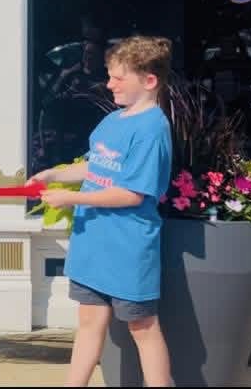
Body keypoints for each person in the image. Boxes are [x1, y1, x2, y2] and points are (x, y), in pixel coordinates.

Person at [28, 35, 174, 387]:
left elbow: (132, 194)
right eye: (110, 75)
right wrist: (54, 174)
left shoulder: (152, 129)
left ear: (149, 80)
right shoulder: (113, 121)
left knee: (143, 327)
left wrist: (71, 200)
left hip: (127, 249)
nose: (109, 84)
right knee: (89, 322)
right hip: (93, 244)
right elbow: (95, 169)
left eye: (118, 77)